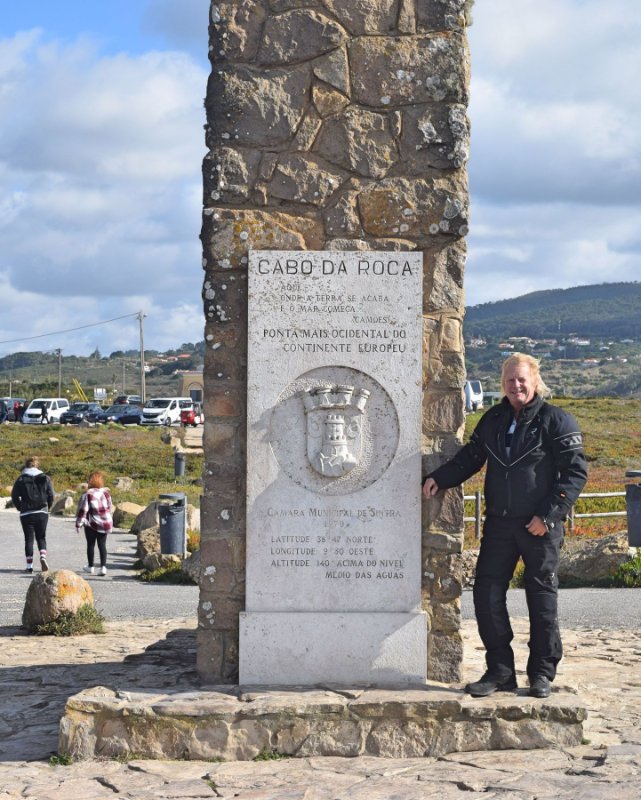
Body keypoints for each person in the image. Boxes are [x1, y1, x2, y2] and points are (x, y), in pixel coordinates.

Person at [423, 353, 588, 699]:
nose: (516, 386)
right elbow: (471, 458)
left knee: (541, 599)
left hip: (539, 526)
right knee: (486, 595)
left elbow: (575, 473)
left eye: (522, 379)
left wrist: (548, 516)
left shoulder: (556, 420)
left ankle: (542, 673)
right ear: (503, 384)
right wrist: (439, 478)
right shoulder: (493, 419)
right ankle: (500, 670)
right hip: (499, 524)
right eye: (510, 380)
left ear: (535, 381)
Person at [11, 456, 55, 573]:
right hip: (42, 512)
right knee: (41, 537)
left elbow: (14, 496)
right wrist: (48, 506)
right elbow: (51, 495)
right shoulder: (45, 478)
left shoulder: (21, 479)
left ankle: (29, 566)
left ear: (26, 466)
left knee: (28, 539)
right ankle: (43, 556)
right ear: (37, 465)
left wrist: (20, 507)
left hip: (26, 513)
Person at [75, 471, 114, 576]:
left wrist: (78, 523)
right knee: (102, 545)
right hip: (105, 522)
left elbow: (83, 510)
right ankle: (103, 567)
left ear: (89, 482)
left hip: (91, 523)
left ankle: (91, 566)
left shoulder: (87, 494)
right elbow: (110, 507)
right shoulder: (106, 493)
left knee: (91, 544)